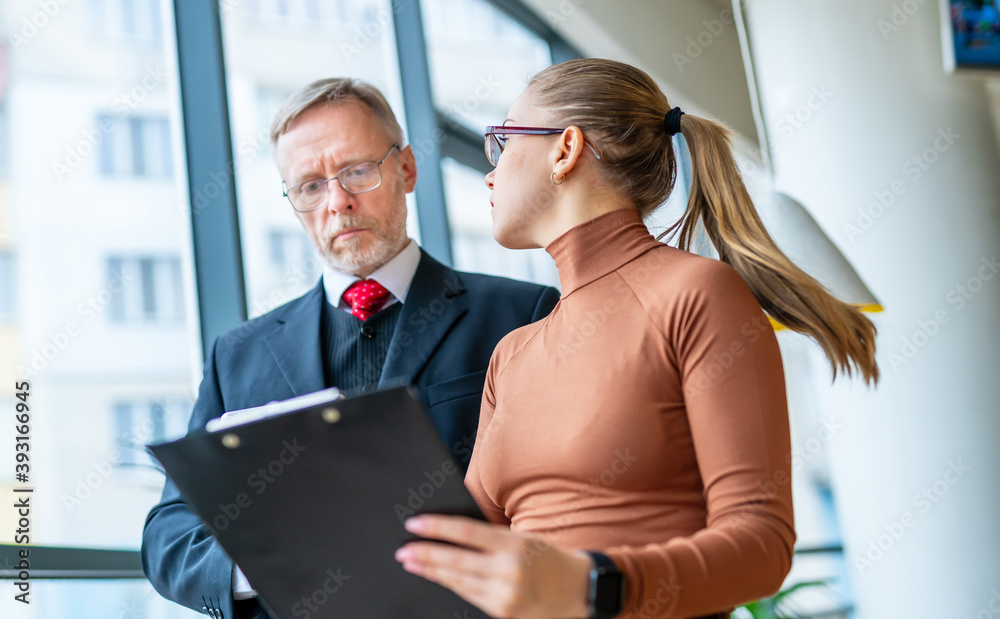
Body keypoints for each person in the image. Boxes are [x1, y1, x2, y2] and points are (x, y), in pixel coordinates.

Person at [394, 58, 879, 619]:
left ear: (565, 150)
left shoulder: (698, 295)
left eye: (501, 144)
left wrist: (593, 583)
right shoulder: (512, 354)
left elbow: (761, 545)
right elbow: (462, 551)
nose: (489, 172)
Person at [140, 78, 560, 619]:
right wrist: (269, 564)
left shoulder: (521, 315)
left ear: (406, 169)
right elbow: (169, 535)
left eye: (357, 171)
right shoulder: (236, 356)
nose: (337, 202)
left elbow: (560, 496)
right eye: (310, 186)